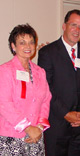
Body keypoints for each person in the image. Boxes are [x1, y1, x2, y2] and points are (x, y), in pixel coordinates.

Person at [38, 9, 80, 156]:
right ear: (64, 26)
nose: (77, 30)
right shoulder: (48, 52)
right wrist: (66, 113)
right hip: (57, 124)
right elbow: (46, 89)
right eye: (73, 25)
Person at [0, 24, 51, 155]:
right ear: (13, 46)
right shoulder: (5, 70)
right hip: (11, 137)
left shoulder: (40, 72)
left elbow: (46, 100)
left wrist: (39, 127)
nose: (28, 47)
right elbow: (4, 104)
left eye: (31, 42)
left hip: (35, 136)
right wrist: (28, 128)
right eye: (22, 43)